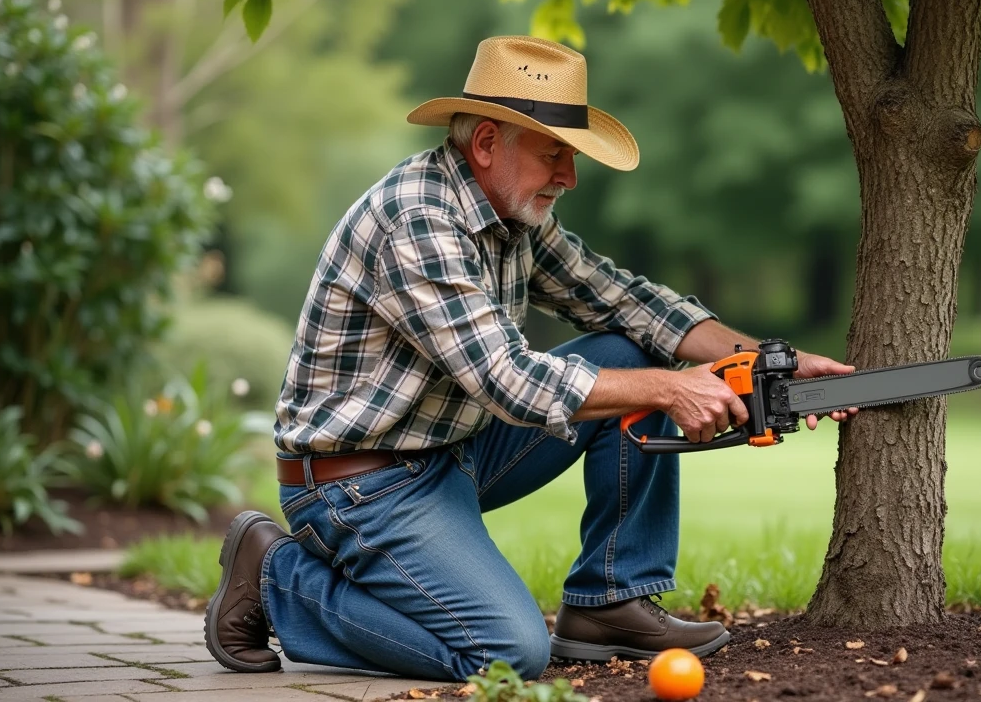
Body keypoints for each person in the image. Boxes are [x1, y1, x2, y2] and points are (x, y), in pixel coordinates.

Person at [203, 35, 857, 681]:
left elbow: (628, 303)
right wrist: (672, 389)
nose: (568, 177)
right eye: (554, 155)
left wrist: (770, 360)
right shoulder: (418, 219)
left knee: (627, 347)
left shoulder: (513, 218)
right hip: (358, 485)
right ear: (487, 143)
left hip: (449, 452)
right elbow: (508, 379)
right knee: (508, 653)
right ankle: (276, 575)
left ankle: (609, 603)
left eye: (570, 156)